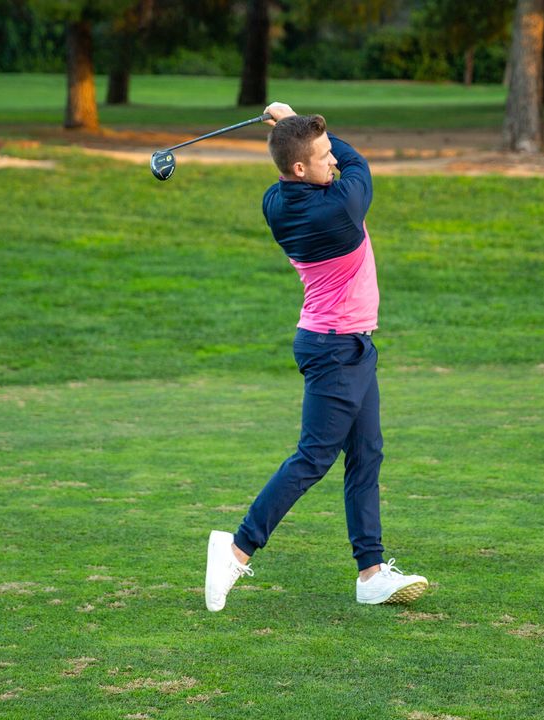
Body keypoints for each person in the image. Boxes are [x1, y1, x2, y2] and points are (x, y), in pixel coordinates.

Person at [204, 102, 429, 612]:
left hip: (344, 342)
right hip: (335, 348)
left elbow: (317, 163)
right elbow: (359, 165)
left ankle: (371, 573)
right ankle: (236, 549)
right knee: (314, 457)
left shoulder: (275, 202)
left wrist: (291, 130)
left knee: (366, 452)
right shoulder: (342, 206)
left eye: (330, 152)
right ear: (301, 169)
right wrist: (294, 117)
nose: (334, 160)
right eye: (322, 155)